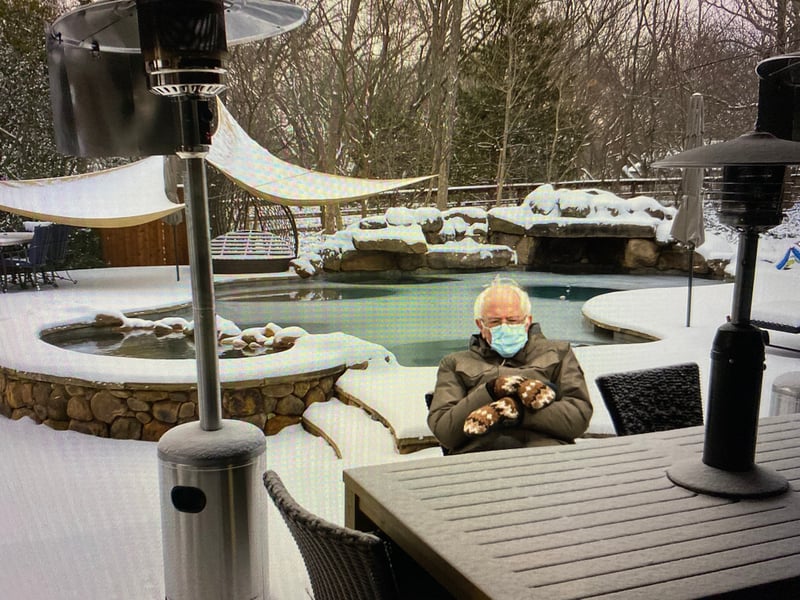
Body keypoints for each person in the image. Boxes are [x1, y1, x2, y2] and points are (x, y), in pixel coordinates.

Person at [427, 277, 592, 454]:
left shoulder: (558, 353)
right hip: (480, 460)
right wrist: (491, 390)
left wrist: (517, 412)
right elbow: (445, 431)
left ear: (527, 321)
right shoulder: (455, 363)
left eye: (513, 320)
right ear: (480, 325)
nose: (504, 327)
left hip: (546, 456)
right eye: (495, 322)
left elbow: (577, 419)